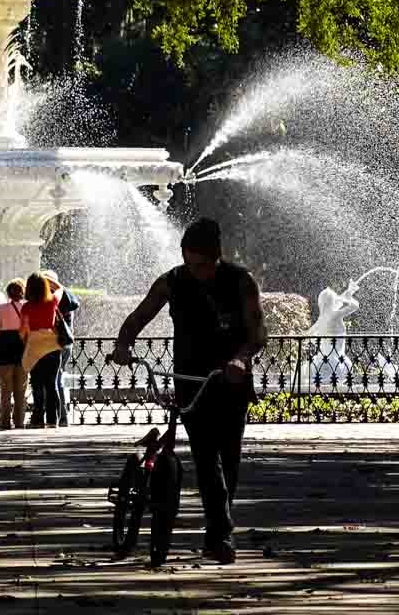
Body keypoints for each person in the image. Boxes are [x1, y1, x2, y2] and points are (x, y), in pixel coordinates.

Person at [113, 218, 267, 564]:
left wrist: (242, 359)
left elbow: (259, 332)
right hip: (191, 382)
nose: (198, 271)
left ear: (218, 257)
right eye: (192, 263)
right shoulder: (172, 281)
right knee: (205, 457)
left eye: (205, 265)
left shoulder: (241, 281)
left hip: (230, 381)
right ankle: (222, 534)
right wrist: (123, 345)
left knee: (229, 458)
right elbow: (138, 317)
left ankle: (216, 534)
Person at [20, 272, 62, 428]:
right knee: (51, 384)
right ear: (45, 286)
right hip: (52, 346)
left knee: (37, 384)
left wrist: (24, 340)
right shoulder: (52, 301)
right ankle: (53, 420)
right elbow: (60, 288)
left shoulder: (26, 307)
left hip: (34, 347)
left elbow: (23, 330)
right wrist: (47, 279)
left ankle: (38, 419)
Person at [0, 278, 28, 429]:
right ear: (22, 292)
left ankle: (4, 422)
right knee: (21, 390)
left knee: (5, 390)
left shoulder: (1, 308)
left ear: (8, 293)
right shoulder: (26, 307)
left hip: (4, 351)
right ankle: (19, 422)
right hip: (22, 351)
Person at [41, 270, 79, 427]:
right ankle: (60, 416)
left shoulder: (58, 298)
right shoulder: (67, 298)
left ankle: (60, 417)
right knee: (57, 379)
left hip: (56, 344)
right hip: (66, 344)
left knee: (54, 381)